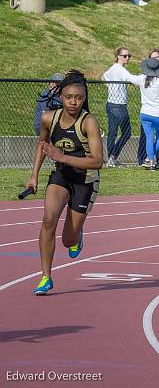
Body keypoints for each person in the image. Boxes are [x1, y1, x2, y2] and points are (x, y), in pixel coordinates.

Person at [26, 70, 103, 295]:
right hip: (61, 176)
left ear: (84, 98)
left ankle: (77, 235)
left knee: (68, 241)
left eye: (78, 98)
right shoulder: (48, 118)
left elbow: (98, 161)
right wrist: (34, 176)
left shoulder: (89, 122)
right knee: (49, 218)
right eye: (68, 96)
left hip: (85, 180)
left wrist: (61, 157)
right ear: (61, 96)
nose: (73, 102)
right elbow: (43, 145)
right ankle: (45, 277)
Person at [102, 47, 144, 168]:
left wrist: (111, 88)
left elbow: (103, 77)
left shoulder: (113, 68)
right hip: (119, 106)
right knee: (127, 133)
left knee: (112, 133)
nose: (127, 58)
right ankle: (113, 157)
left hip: (110, 104)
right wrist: (145, 77)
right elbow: (132, 79)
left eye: (129, 56)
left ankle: (111, 159)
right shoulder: (120, 69)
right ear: (118, 56)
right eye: (125, 56)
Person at [137, 49, 159, 168]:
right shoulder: (154, 79)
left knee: (153, 136)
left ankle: (153, 160)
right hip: (157, 111)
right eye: (152, 58)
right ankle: (149, 159)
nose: (155, 60)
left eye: (157, 57)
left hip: (147, 111)